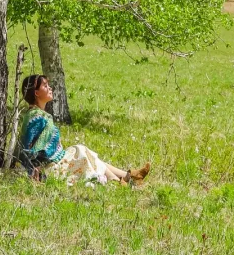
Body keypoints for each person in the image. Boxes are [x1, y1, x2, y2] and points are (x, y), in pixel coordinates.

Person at [16, 74, 151, 185]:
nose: (50, 88)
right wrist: (35, 167)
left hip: (49, 164)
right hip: (46, 169)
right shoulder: (37, 117)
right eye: (45, 86)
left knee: (85, 153)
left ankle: (129, 176)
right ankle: (118, 181)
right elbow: (33, 149)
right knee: (80, 150)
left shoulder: (36, 115)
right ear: (36, 92)